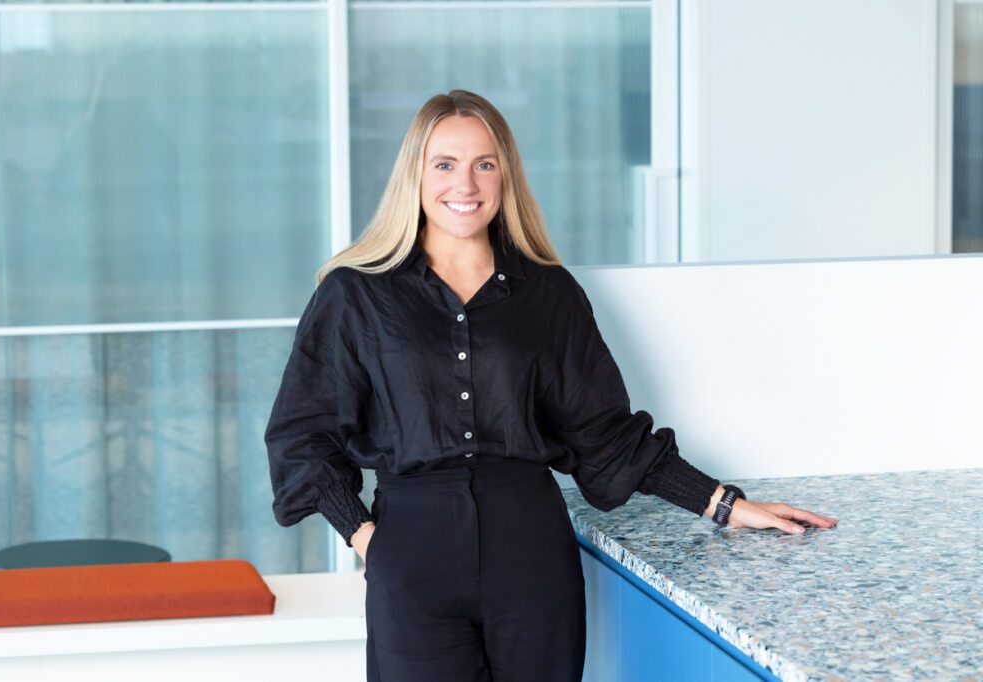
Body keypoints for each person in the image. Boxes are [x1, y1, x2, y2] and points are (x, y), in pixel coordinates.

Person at [264, 89, 839, 682]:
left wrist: (724, 504)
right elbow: (301, 433)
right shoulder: (355, 294)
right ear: (414, 174)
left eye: (484, 164)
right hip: (411, 557)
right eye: (445, 165)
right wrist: (364, 536)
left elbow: (605, 434)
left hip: (532, 557)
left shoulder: (549, 293)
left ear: (505, 175)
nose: (466, 184)